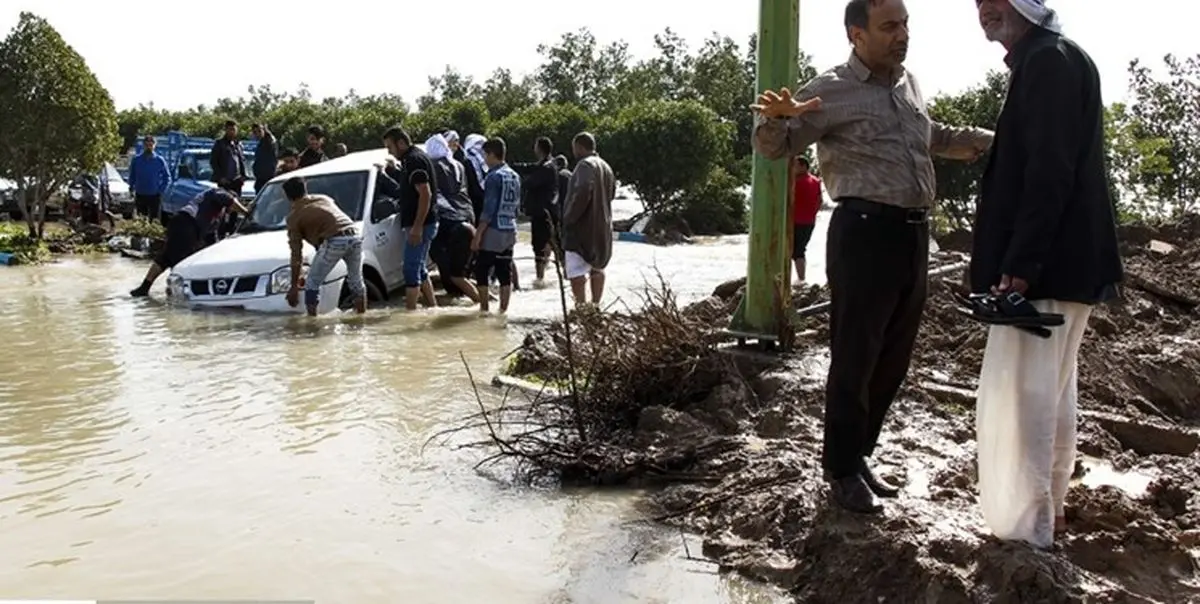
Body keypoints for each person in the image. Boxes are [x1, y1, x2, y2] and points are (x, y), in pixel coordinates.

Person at [750, 0, 994, 514]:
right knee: (855, 358)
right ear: (856, 35)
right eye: (889, 27)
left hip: (912, 236)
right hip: (863, 235)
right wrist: (774, 121)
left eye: (905, 24)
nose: (901, 34)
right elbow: (775, 146)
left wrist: (992, 140)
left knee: (893, 360)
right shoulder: (831, 88)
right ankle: (840, 470)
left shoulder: (909, 85)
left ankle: (859, 454)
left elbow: (934, 139)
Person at [970, 0, 1122, 549]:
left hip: (1046, 269)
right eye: (980, 1)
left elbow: (1049, 171)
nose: (985, 9)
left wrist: (1020, 265)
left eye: (997, 0)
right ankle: (1048, 517)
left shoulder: (1048, 62)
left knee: (1027, 399)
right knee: (1053, 396)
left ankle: (1028, 528)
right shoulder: (1054, 57)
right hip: (1063, 265)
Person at [129, 188, 247, 297]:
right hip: (185, 223)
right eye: (232, 208)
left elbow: (211, 240)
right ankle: (174, 293)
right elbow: (229, 200)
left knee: (165, 258)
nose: (232, 211)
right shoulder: (219, 194)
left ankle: (145, 288)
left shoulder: (216, 216)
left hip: (183, 226)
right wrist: (246, 212)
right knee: (180, 262)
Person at [282, 177, 367, 316]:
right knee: (356, 280)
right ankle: (361, 315)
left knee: (312, 283)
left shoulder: (294, 217)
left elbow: (296, 254)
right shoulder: (324, 199)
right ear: (305, 189)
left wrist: (294, 287)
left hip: (335, 240)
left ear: (287, 196)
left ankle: (312, 323)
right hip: (355, 235)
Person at [381, 126, 438, 310]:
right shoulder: (410, 160)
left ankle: (410, 314)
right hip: (422, 222)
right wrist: (392, 172)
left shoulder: (414, 160)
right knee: (419, 268)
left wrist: (417, 227)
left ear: (401, 143)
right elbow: (409, 185)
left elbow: (425, 194)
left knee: (410, 269)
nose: (390, 151)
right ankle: (432, 306)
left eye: (390, 147)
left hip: (420, 223)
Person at [561, 132, 615, 306]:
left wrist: (569, 217)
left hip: (583, 227)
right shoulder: (606, 166)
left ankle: (581, 308)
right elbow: (611, 194)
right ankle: (596, 305)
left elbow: (583, 190)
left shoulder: (584, 165)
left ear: (579, 147)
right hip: (603, 227)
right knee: (598, 268)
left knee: (576, 271)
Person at [425, 133, 479, 303]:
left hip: (450, 224)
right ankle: (483, 300)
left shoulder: (433, 166)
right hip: (468, 217)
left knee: (454, 275)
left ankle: (484, 303)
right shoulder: (458, 165)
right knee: (462, 272)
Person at [472, 137, 520, 314]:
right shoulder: (514, 175)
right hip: (510, 228)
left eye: (485, 155)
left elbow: (488, 209)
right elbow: (517, 207)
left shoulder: (493, 177)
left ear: (492, 154)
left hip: (494, 230)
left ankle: (484, 309)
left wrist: (478, 235)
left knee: (482, 268)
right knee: (504, 271)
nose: (484, 159)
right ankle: (503, 311)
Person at [511, 137, 560, 285]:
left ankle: (540, 279)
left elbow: (529, 183)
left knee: (540, 245)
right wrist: (513, 166)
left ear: (539, 148)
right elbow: (529, 167)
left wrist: (514, 179)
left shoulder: (547, 167)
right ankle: (546, 276)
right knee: (546, 244)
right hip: (543, 211)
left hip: (543, 213)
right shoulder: (545, 164)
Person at [209, 120, 248, 239]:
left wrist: (243, 176)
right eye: (229, 129)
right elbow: (213, 162)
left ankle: (232, 231)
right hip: (225, 182)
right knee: (223, 209)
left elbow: (242, 161)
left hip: (237, 181)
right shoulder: (219, 144)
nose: (232, 131)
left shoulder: (238, 144)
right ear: (225, 130)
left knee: (235, 209)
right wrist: (220, 177)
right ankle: (221, 233)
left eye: (234, 129)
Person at [791, 154, 822, 284]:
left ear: (803, 166)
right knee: (800, 250)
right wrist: (812, 214)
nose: (792, 168)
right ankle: (801, 279)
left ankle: (798, 280)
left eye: (795, 165)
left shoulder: (794, 181)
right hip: (809, 222)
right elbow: (819, 201)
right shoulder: (816, 181)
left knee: (792, 251)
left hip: (795, 221)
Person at [127, 135, 171, 223]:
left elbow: (167, 177)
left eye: (151, 145)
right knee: (141, 221)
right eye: (147, 145)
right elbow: (132, 176)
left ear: (154, 146)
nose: (149, 147)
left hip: (154, 196)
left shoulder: (159, 160)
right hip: (140, 195)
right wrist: (131, 188)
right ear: (143, 145)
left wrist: (161, 190)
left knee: (155, 221)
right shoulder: (136, 160)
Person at [250, 123, 278, 194]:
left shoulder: (268, 142)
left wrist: (267, 131)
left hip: (268, 179)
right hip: (260, 179)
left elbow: (273, 141)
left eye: (259, 131)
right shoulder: (259, 145)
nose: (257, 134)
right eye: (255, 132)